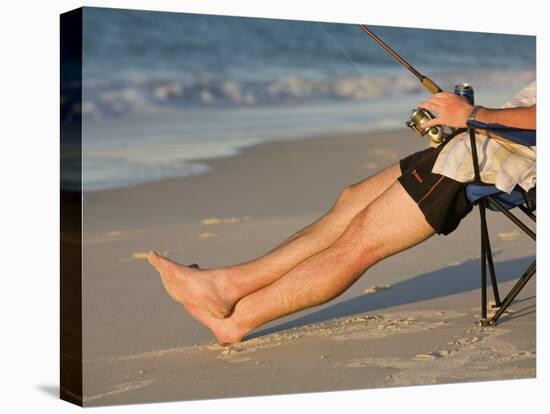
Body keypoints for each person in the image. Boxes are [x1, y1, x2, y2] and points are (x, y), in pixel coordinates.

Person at [147, 81, 536, 344]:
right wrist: (469, 116)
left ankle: (236, 320)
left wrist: (471, 113)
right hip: (488, 138)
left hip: (494, 160)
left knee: (362, 241)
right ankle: (226, 286)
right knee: (352, 199)